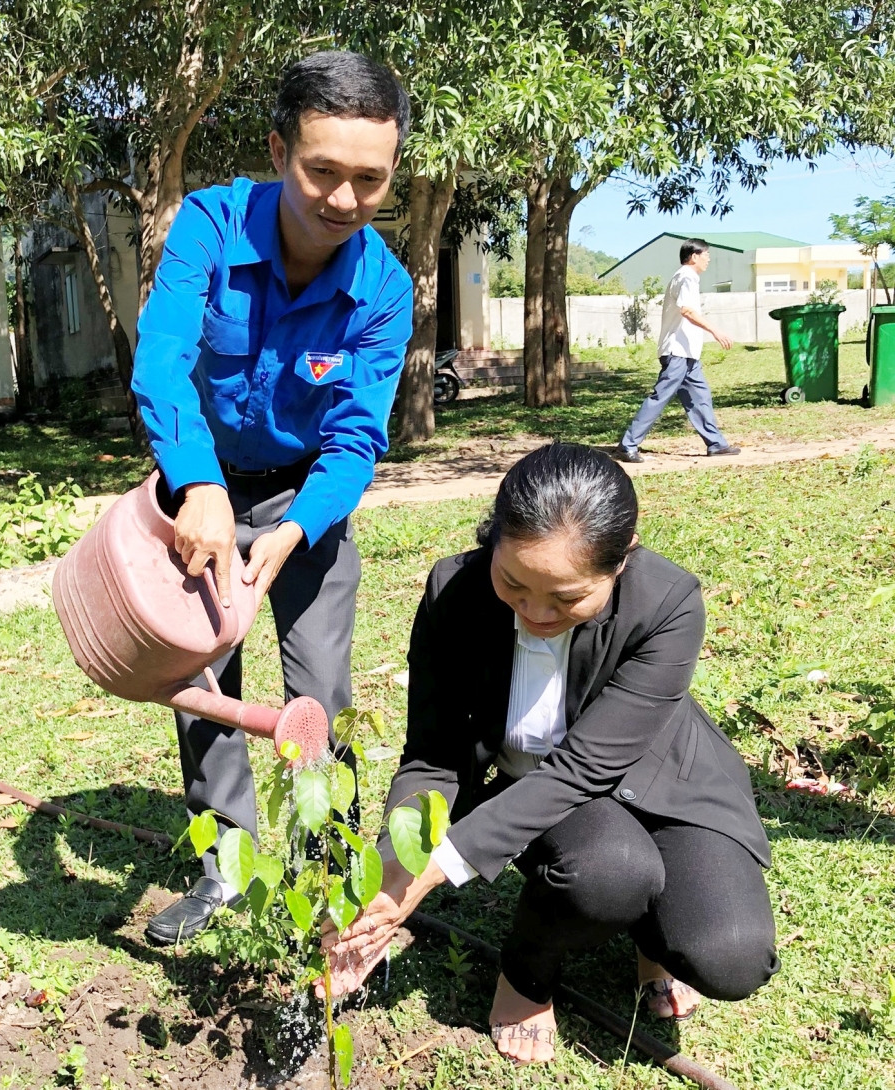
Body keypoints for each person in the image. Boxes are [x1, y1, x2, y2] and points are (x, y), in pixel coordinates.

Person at [322, 443, 779, 1064]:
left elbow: (584, 766)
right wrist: (395, 864)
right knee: (610, 872)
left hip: (662, 779)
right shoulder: (453, 592)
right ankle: (527, 976)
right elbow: (434, 756)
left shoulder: (667, 604)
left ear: (623, 559)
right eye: (513, 582)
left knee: (729, 957)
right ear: (494, 539)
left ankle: (652, 933)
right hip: (545, 792)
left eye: (566, 599)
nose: (536, 613)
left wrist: (436, 869)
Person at [131, 51, 413, 945]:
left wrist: (293, 531)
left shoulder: (383, 289)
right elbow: (162, 361)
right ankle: (226, 867)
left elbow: (356, 438)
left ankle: (328, 870)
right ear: (278, 148)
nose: (343, 199)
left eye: (369, 180)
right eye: (321, 170)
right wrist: (200, 485)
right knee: (200, 678)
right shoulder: (210, 227)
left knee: (320, 688)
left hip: (306, 504)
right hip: (200, 486)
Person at [615, 239, 740, 462]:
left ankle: (716, 444)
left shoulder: (688, 277)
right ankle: (628, 444)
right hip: (677, 352)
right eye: (706, 255)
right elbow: (687, 311)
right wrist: (715, 331)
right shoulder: (686, 277)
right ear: (694, 257)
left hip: (688, 353)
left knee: (700, 397)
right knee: (660, 397)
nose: (708, 259)